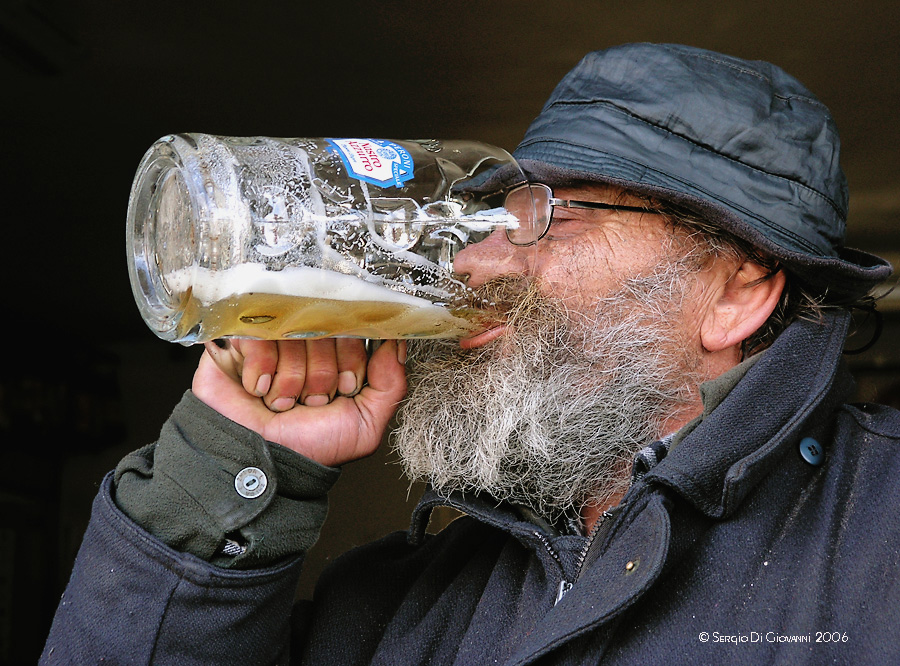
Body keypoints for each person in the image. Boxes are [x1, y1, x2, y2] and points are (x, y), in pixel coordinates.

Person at [42, 43, 899, 665]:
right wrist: (229, 472)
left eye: (555, 217)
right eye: (488, 217)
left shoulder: (880, 539)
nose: (474, 260)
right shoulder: (384, 607)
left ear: (737, 291)